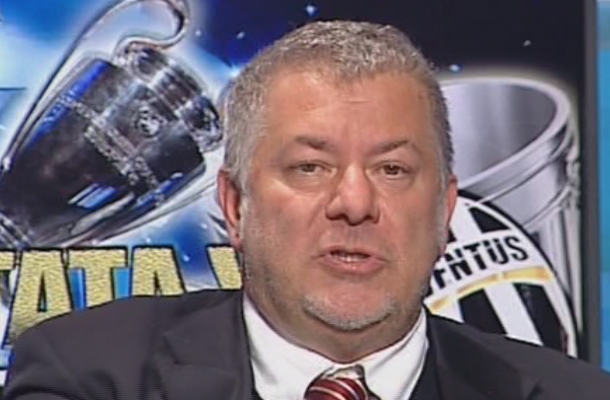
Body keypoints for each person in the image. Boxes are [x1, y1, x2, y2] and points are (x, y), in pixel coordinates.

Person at [4, 20, 610, 400]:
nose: (355, 203)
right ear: (235, 206)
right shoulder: (89, 375)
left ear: (444, 210)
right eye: (310, 168)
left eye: (393, 170)